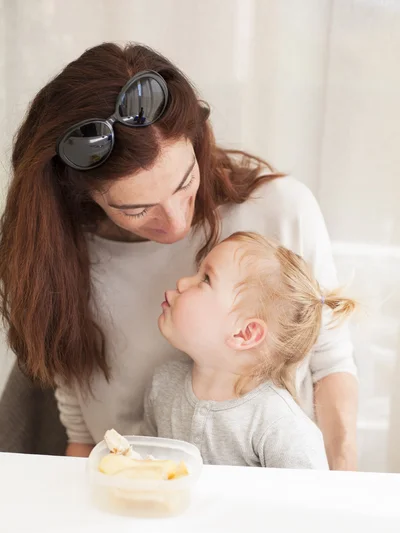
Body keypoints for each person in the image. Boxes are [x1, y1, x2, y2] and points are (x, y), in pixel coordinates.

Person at [0, 43, 358, 468]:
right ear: (82, 194)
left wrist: (340, 495)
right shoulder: (59, 259)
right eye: (135, 209)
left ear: (197, 138)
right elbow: (77, 419)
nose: (174, 224)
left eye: (186, 181)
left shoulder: (281, 211)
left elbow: (331, 363)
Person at [142, 232, 356, 469]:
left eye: (206, 279)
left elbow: (309, 502)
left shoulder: (280, 426)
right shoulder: (162, 386)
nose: (182, 282)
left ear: (244, 334)